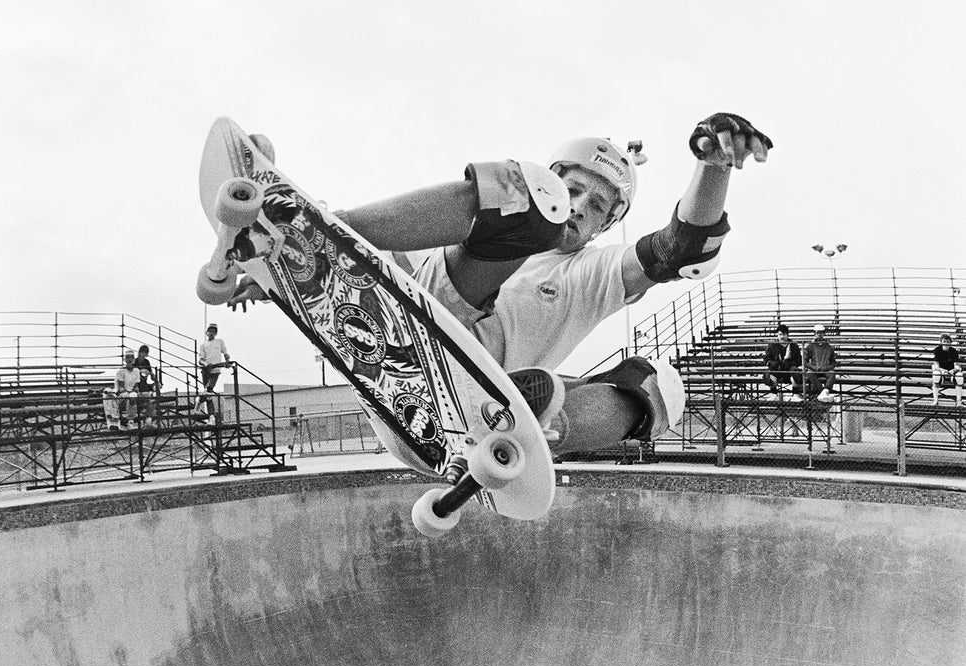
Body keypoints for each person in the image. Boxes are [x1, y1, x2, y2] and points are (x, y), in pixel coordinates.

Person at [231, 112, 772, 463]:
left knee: (659, 387)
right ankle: (310, 226)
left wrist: (714, 166)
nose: (579, 207)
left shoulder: (593, 273)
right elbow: (349, 277)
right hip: (398, 380)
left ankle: (529, 437)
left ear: (606, 226)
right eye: (575, 189)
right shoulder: (455, 232)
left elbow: (682, 248)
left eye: (597, 206)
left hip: (468, 427)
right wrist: (276, 269)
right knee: (528, 205)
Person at [194, 324, 232, 419]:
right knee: (209, 395)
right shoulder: (203, 345)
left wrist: (227, 362)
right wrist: (206, 364)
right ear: (207, 332)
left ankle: (199, 400)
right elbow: (200, 359)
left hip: (215, 370)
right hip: (206, 371)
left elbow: (225, 353)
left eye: (214, 331)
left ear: (215, 333)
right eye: (210, 331)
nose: (212, 333)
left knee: (208, 390)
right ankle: (211, 417)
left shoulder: (219, 342)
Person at [761, 324, 802, 399]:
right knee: (768, 374)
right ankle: (774, 394)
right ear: (777, 335)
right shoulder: (772, 345)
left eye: (784, 334)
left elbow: (798, 361)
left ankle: (795, 394)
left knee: (796, 372)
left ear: (787, 335)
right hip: (777, 369)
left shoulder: (793, 345)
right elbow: (767, 359)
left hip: (789, 370)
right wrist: (778, 364)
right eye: (780, 334)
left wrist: (787, 362)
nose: (782, 337)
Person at [801, 324, 837, 401]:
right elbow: (805, 361)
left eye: (821, 332)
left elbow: (833, 362)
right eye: (818, 332)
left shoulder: (829, 347)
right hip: (815, 370)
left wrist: (826, 368)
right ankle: (823, 393)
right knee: (810, 374)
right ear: (815, 333)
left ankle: (824, 392)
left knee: (832, 374)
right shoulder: (810, 346)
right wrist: (814, 367)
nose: (819, 334)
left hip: (825, 369)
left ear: (824, 333)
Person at [107, 350, 141, 429]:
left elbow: (136, 386)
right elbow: (121, 388)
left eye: (131, 357)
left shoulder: (136, 371)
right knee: (129, 396)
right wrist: (131, 392)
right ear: (125, 360)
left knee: (135, 396)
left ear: (134, 360)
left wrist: (135, 390)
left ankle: (131, 421)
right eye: (128, 358)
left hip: (131, 393)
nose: (129, 360)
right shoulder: (121, 371)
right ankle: (129, 421)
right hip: (121, 395)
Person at [931, 334, 963, 406]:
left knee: (960, 377)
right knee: (936, 375)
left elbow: (956, 366)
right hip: (941, 371)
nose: (946, 343)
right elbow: (936, 365)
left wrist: (952, 371)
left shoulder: (953, 351)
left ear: (950, 342)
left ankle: (959, 402)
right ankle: (935, 401)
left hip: (952, 371)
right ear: (941, 342)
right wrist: (942, 370)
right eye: (944, 341)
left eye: (948, 341)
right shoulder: (937, 350)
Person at [135, 343, 160, 425]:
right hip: (136, 384)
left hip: (144, 384)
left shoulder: (146, 362)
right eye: (144, 353)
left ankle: (148, 419)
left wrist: (157, 381)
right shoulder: (135, 362)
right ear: (141, 352)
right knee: (146, 396)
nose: (145, 355)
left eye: (146, 354)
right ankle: (147, 418)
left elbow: (151, 374)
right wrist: (141, 372)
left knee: (152, 394)